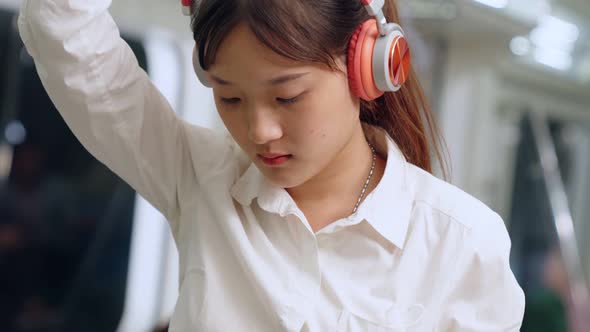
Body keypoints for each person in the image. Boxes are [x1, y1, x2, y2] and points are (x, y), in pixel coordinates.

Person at [17, 0, 525, 330]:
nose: (259, 131)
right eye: (229, 97)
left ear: (366, 70)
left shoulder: (461, 243)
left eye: (287, 97)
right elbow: (65, 35)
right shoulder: (199, 177)